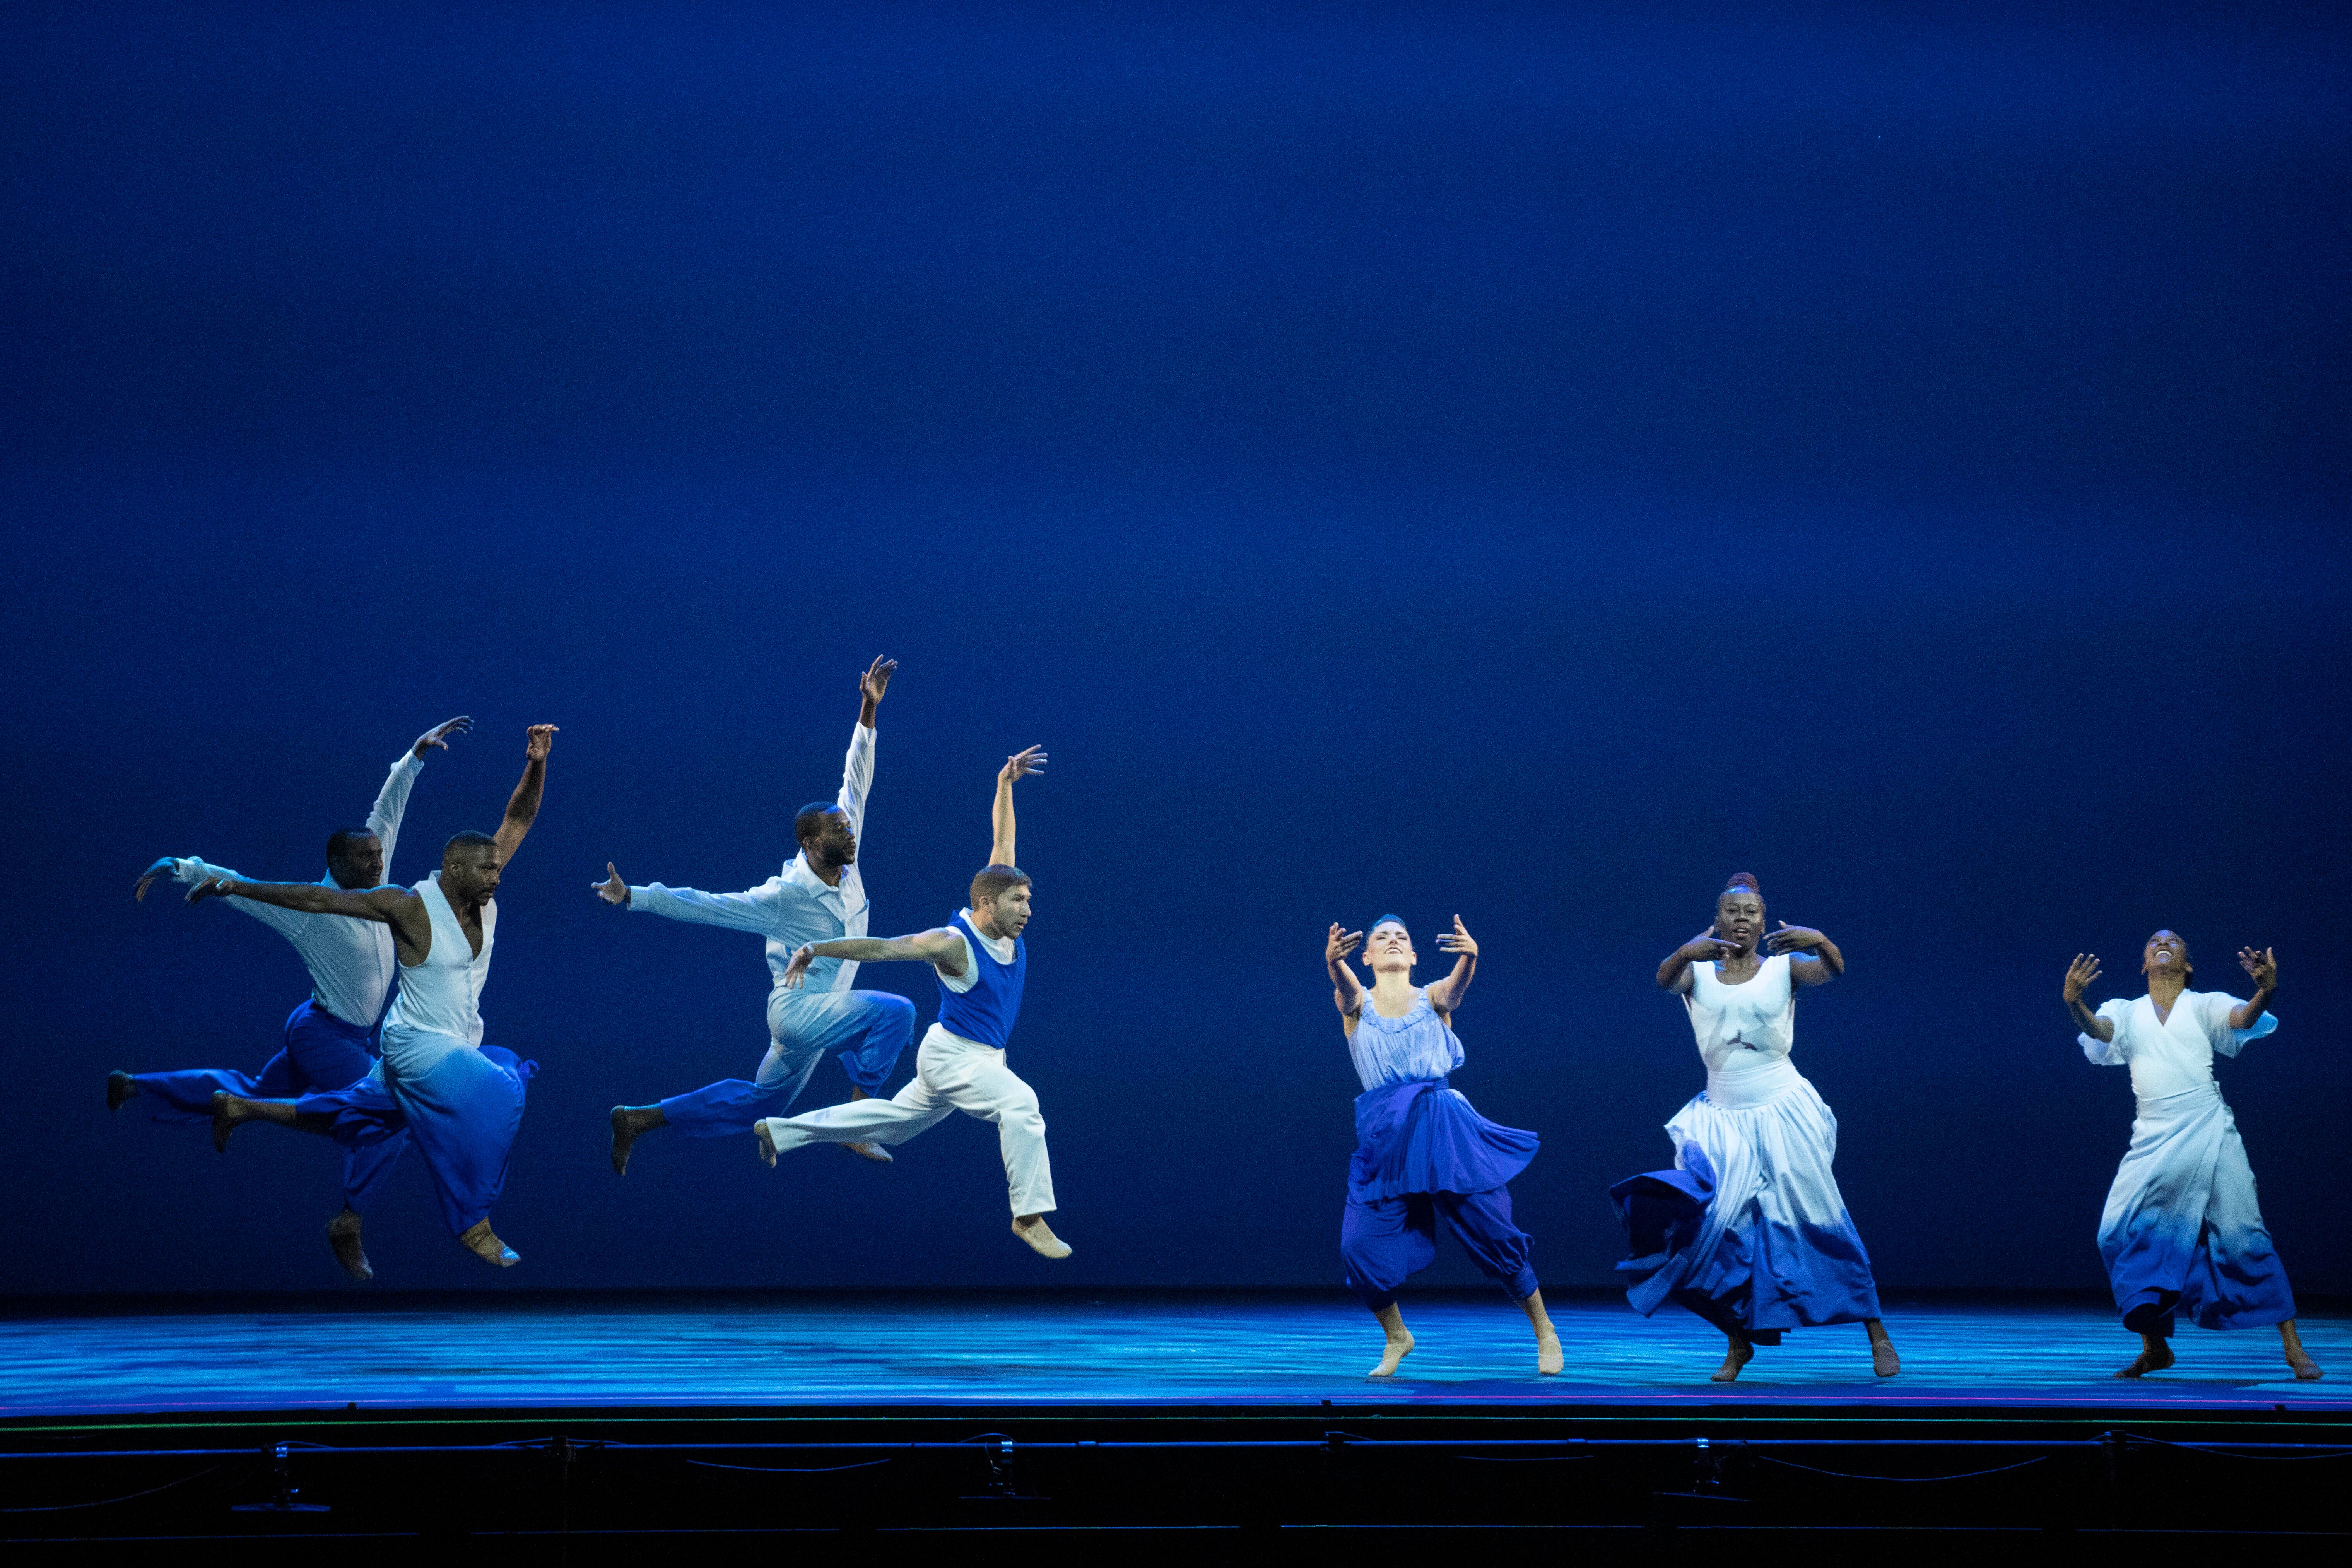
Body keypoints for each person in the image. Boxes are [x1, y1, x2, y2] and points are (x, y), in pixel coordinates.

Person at [110, 716, 472, 1280]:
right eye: (367, 859)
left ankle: (135, 1086)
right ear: (335, 864)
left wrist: (416, 754)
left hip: (328, 1030)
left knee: (252, 1091)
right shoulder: (308, 909)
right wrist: (176, 867)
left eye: (380, 857)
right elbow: (234, 882)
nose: (379, 863)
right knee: (389, 1113)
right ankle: (348, 1222)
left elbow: (390, 808)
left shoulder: (380, 889)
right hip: (322, 1033)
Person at [194, 724, 557, 1269]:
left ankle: (243, 1109)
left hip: (452, 1042)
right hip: (417, 1046)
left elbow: (520, 817)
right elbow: (318, 900)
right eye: (486, 869)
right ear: (454, 869)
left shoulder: (483, 889)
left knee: (362, 1116)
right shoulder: (409, 904)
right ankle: (472, 1223)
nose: (496, 877)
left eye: (496, 867)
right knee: (503, 1090)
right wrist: (237, 885)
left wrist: (536, 762)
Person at [752, 746, 1068, 1259]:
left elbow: (1002, 843)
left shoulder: (1000, 899)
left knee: (890, 1125)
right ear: (985, 905)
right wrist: (817, 947)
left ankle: (783, 1130)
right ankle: (1029, 1216)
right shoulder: (953, 942)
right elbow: (884, 949)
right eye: (1020, 901)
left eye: (1029, 899)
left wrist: (1005, 784)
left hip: (973, 1056)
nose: (1028, 908)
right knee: (1022, 1107)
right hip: (956, 1056)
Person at [600, 657, 912, 1172]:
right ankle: (859, 1123)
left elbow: (856, 779)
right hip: (796, 1012)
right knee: (896, 1012)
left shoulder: (848, 861)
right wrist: (634, 893)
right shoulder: (783, 897)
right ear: (811, 844)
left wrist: (868, 709)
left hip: (825, 1011)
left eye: (848, 828)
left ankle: (638, 1119)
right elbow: (708, 905)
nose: (849, 832)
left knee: (762, 1103)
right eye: (838, 830)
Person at [1610, 873, 1898, 1382]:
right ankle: (1738, 1341)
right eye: (1732, 911)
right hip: (1722, 1120)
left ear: (1765, 921)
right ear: (1717, 917)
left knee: (1820, 1219)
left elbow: (1833, 970)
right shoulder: (1697, 973)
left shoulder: (1784, 969)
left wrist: (1821, 941)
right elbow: (1662, 979)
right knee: (1698, 1240)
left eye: (1751, 913)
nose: (1741, 920)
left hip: (1783, 1109)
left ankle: (1875, 1330)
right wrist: (1686, 949)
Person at [2065, 934, 2320, 1380]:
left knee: (2244, 1233)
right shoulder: (2124, 1010)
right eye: (2152, 942)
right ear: (2143, 964)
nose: (2162, 943)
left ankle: (2293, 1348)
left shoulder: (2203, 1004)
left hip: (2208, 1127)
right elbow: (2098, 1031)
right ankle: (2155, 1348)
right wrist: (2074, 1003)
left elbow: (2241, 1018)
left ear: (2186, 965)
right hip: (2153, 1137)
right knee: (2113, 1233)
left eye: (2173, 942)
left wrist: (2266, 990)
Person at [1326, 915, 1560, 1380]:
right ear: (1366, 956)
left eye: (1402, 938)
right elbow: (1348, 991)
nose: (1393, 941)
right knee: (1358, 1244)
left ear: (1413, 956)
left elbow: (1453, 993)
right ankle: (1397, 1336)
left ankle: (1545, 1332)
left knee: (1492, 1231)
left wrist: (1469, 958)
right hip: (1385, 1133)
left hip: (1440, 1122)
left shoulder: (1432, 996)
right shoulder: (1354, 1003)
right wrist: (1333, 963)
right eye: (1381, 938)